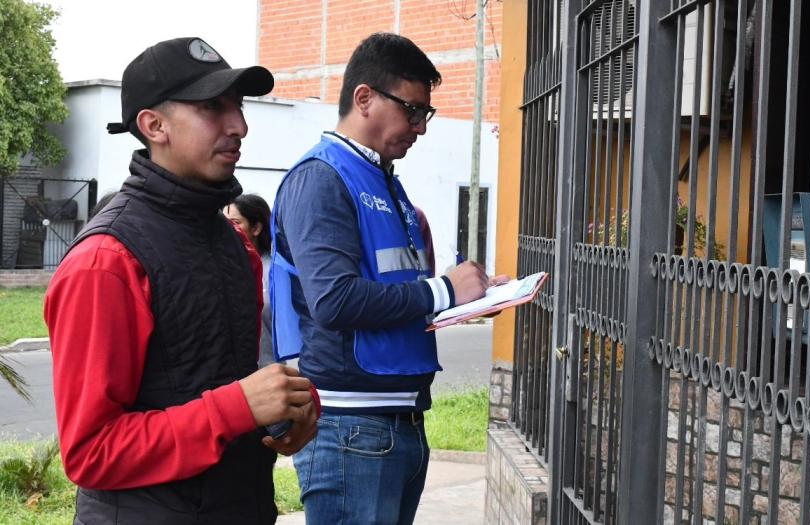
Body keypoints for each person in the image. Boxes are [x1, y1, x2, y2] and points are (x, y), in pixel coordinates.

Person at [44, 37, 318, 525]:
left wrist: (286, 411)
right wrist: (235, 408)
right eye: (213, 107)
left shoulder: (233, 243)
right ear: (154, 126)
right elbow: (90, 453)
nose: (239, 125)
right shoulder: (107, 261)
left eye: (237, 105)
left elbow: (224, 383)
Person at [271, 33, 502, 524]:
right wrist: (443, 289)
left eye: (426, 115)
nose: (420, 128)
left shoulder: (383, 180)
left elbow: (395, 292)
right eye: (412, 110)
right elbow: (334, 301)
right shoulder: (322, 178)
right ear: (364, 98)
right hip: (351, 425)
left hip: (394, 421)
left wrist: (469, 301)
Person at [224, 194, 278, 367]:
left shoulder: (275, 273)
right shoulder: (216, 268)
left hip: (267, 371)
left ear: (256, 228)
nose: (228, 229)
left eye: (235, 222)